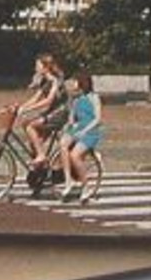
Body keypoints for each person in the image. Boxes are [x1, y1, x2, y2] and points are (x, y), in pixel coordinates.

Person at [60, 69, 104, 203]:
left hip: (91, 130)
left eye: (75, 81)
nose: (73, 83)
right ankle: (68, 180)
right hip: (78, 128)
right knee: (63, 143)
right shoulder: (76, 98)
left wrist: (84, 130)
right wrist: (69, 125)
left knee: (75, 155)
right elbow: (72, 117)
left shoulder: (93, 97)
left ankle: (86, 186)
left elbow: (98, 119)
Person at [16, 53, 66, 168]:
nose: (35, 67)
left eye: (37, 65)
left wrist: (28, 109)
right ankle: (42, 169)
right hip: (51, 112)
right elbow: (35, 98)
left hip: (59, 113)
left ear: (45, 67)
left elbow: (48, 100)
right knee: (34, 141)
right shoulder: (45, 81)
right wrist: (22, 107)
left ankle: (42, 155)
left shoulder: (55, 81)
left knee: (30, 126)